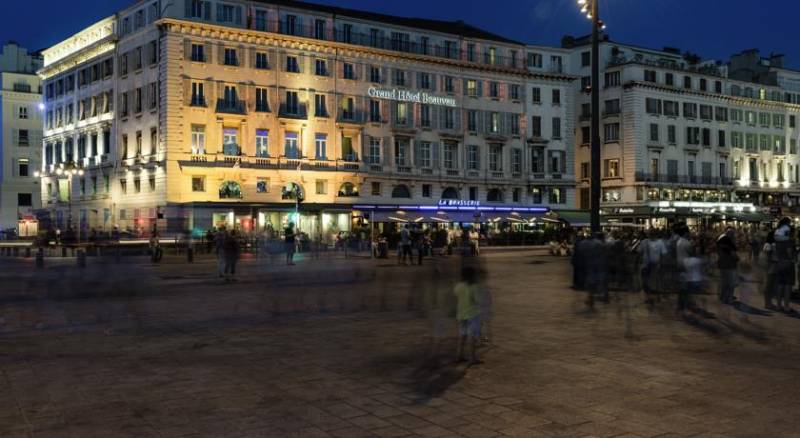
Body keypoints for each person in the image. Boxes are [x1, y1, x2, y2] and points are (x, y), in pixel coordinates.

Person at [454, 265, 482, 365]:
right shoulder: (474, 287)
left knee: (462, 336)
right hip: (472, 314)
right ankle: (472, 358)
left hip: (461, 314)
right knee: (472, 337)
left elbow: (456, 296)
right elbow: (478, 300)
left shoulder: (458, 286)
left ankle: (459, 356)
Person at [773, 218, 795, 313]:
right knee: (787, 286)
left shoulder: (777, 239)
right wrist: (792, 258)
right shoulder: (788, 240)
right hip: (787, 263)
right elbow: (789, 251)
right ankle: (786, 306)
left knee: (780, 285)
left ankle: (778, 305)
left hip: (779, 263)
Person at [716, 227, 740, 305]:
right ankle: (728, 298)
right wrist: (737, 258)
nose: (732, 235)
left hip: (723, 265)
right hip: (730, 265)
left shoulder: (721, 240)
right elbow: (733, 254)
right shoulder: (727, 242)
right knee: (730, 283)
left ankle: (723, 297)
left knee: (724, 282)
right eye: (731, 233)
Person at [762, 231, 776, 310]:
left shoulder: (768, 245)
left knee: (770, 286)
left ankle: (769, 302)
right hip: (769, 266)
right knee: (768, 286)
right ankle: (767, 303)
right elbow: (768, 256)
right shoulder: (768, 245)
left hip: (769, 266)